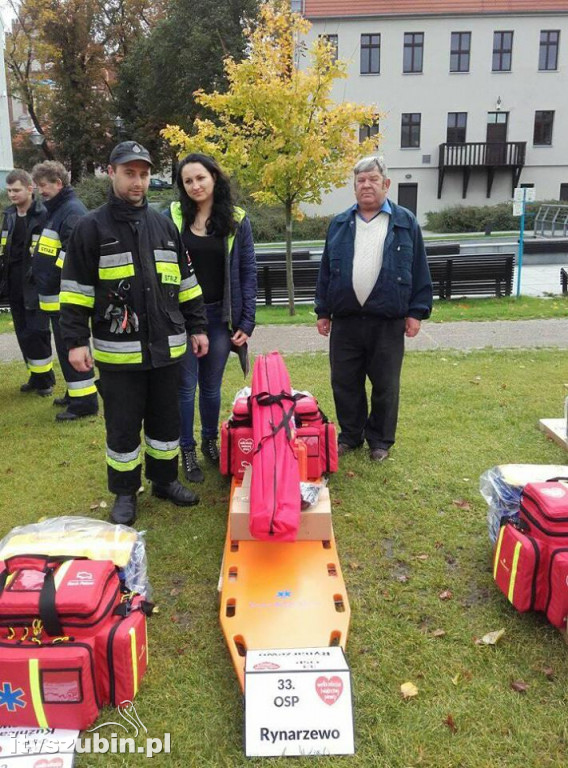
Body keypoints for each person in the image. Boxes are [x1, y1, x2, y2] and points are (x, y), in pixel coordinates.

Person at [59, 140, 209, 526]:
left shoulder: (164, 227)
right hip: (118, 356)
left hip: (167, 351)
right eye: (129, 173)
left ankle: (164, 481)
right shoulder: (90, 228)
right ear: (111, 173)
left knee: (166, 424)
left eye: (143, 174)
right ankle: (125, 493)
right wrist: (75, 342)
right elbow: (75, 291)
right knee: (123, 428)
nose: (137, 182)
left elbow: (187, 284)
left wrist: (198, 327)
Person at [315, 155, 432, 462]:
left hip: (387, 320)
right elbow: (326, 270)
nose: (366, 185)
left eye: (372, 180)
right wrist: (323, 311)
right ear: (354, 187)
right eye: (360, 181)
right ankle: (351, 435)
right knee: (344, 381)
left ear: (386, 184)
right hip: (347, 320)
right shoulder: (339, 224)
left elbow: (419, 269)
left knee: (385, 384)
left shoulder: (405, 222)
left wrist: (416, 312)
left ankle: (379, 440)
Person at [164, 153, 256, 483]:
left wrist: (247, 321)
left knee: (211, 388)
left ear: (214, 177)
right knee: (185, 387)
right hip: (183, 318)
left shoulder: (236, 219)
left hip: (220, 316)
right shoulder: (172, 217)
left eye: (200, 178)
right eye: (187, 181)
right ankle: (186, 449)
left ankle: (209, 443)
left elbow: (247, 271)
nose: (195, 185)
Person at [31, 161, 98, 421]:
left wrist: (53, 275)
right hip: (56, 295)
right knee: (64, 347)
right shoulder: (58, 209)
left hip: (65, 296)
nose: (40, 192)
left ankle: (85, 402)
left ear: (58, 184)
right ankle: (76, 392)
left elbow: (73, 255)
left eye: (44, 186)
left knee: (73, 345)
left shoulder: (70, 212)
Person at [0, 169, 53, 395]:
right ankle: (35, 375)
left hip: (34, 283)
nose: (12, 194)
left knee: (37, 330)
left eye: (16, 190)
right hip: (13, 282)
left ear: (30, 189)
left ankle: (45, 381)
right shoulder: (9, 215)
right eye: (9, 190)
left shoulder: (43, 215)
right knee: (22, 331)